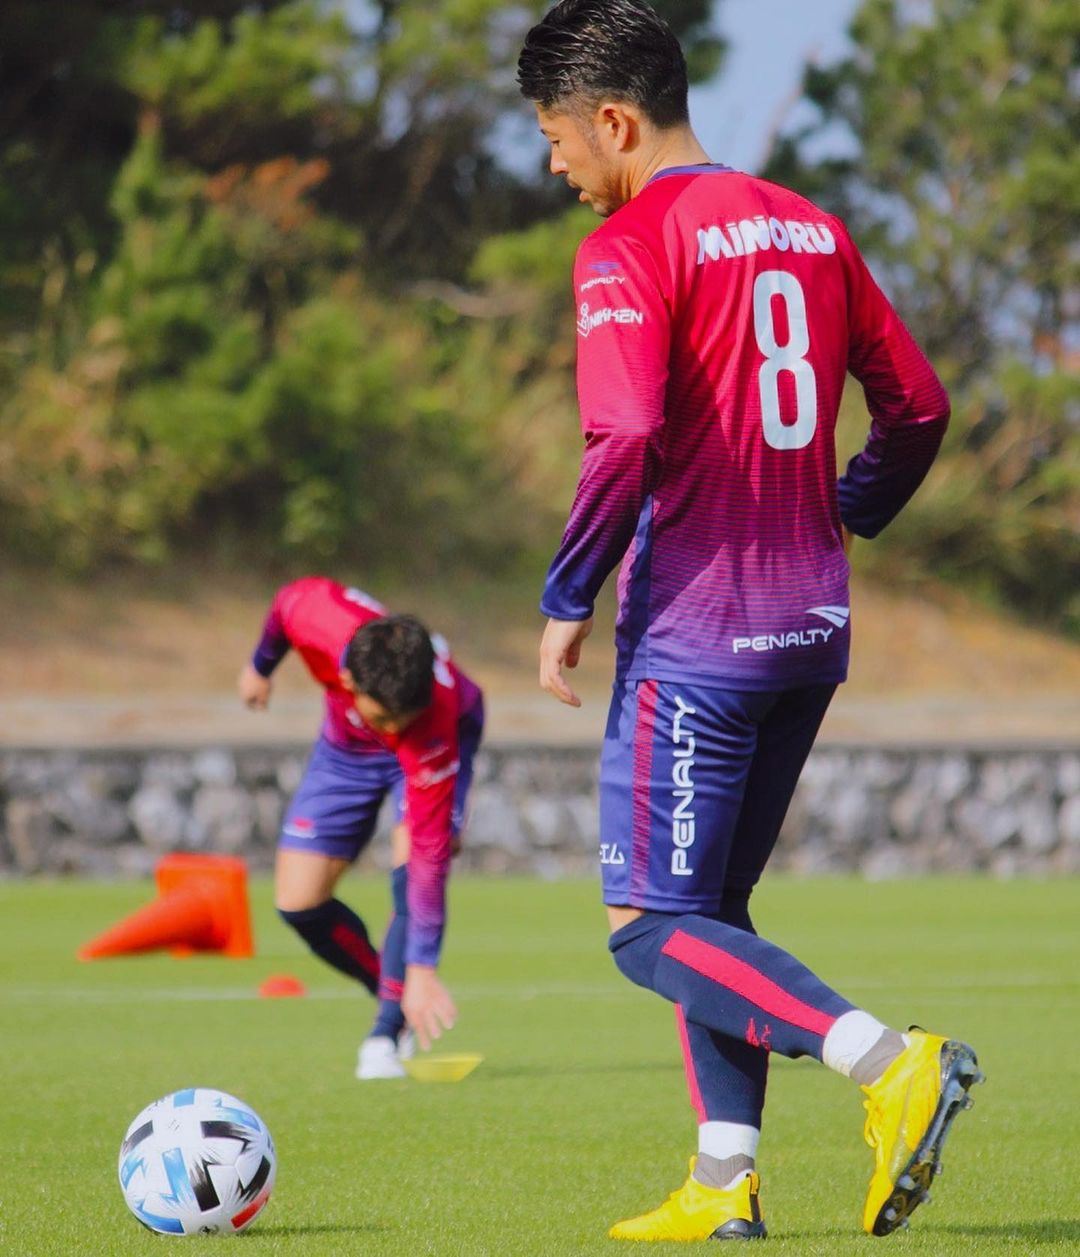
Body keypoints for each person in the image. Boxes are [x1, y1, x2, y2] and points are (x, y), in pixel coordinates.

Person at [519, 0, 981, 1240]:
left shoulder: (630, 243)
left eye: (558, 137)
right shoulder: (810, 225)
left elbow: (619, 435)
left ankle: (888, 1061)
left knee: (647, 929)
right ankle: (726, 1182)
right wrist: (836, 510)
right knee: (710, 913)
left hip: (698, 637)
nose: (555, 164)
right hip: (811, 628)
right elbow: (920, 407)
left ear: (613, 120)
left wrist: (570, 598)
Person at [238, 577, 484, 1078]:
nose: (394, 731)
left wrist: (423, 968)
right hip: (346, 750)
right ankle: (391, 991)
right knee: (298, 903)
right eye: (385, 719)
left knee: (410, 869)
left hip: (438, 747)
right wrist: (261, 666)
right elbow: (286, 604)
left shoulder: (427, 723)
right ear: (349, 680)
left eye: (402, 720)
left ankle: (386, 1031)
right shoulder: (318, 615)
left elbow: (429, 864)